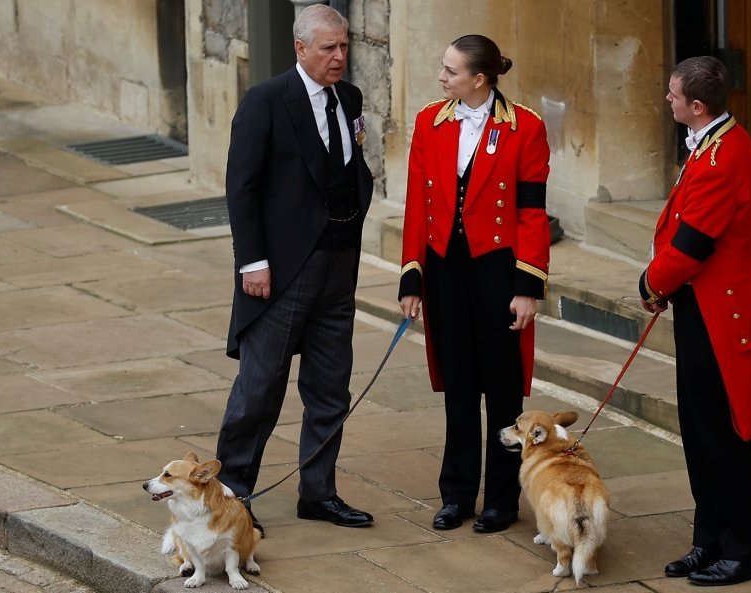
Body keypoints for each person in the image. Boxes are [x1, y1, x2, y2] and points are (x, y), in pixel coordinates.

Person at [216, 4, 374, 532]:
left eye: (344, 47)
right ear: (300, 48)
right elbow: (242, 187)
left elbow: (353, 170)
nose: (339, 57)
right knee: (259, 388)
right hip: (280, 271)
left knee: (331, 388)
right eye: (328, 48)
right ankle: (232, 496)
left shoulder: (348, 98)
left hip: (338, 266)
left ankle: (318, 492)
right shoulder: (265, 101)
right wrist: (253, 263)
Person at [398, 34, 550, 533]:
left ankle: (502, 500)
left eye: (450, 71)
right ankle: (457, 494)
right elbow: (417, 205)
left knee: (503, 392)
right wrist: (411, 277)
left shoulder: (525, 126)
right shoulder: (429, 121)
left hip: (498, 272)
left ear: (478, 79)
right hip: (445, 271)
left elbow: (531, 212)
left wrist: (528, 286)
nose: (442, 78)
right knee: (458, 386)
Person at [637, 56, 751, 586]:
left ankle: (745, 550)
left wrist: (652, 283)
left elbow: (694, 242)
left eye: (672, 95)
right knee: (698, 432)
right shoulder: (710, 142)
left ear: (696, 106)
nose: (666, 100)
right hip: (700, 306)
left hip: (722, 314)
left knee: (724, 436)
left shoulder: (723, 155)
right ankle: (711, 539)